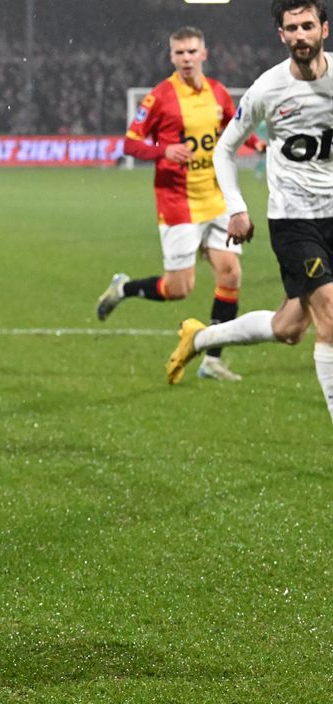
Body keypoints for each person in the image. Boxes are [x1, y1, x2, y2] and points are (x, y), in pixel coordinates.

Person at [166, 0, 333, 425]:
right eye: (291, 28)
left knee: (289, 328)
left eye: (307, 26)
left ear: (324, 29)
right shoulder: (268, 88)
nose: (300, 35)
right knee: (329, 312)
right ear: (281, 35)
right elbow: (224, 149)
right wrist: (236, 208)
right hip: (295, 221)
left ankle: (202, 337)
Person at [96, 27, 264, 381]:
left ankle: (213, 359)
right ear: (171, 57)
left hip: (216, 197)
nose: (186, 58)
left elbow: (232, 129)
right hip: (177, 202)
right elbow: (130, 144)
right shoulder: (159, 98)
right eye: (179, 53)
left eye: (192, 51)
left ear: (204, 53)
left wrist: (256, 145)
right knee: (179, 289)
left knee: (231, 273)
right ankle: (123, 288)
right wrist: (163, 151)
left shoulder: (218, 92)